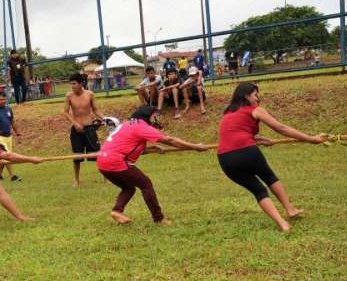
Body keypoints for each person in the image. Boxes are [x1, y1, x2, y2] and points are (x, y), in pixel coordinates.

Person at [217, 83, 327, 232]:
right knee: (269, 177)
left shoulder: (227, 114)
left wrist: (255, 138)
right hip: (247, 151)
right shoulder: (255, 110)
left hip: (225, 159)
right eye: (255, 94)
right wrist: (311, 138)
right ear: (246, 96)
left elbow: (233, 135)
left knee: (258, 190)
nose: (258, 98)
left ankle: (282, 223)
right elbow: (281, 128)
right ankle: (290, 209)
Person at [97, 105, 208, 225]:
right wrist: (195, 147)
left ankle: (117, 211)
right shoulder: (141, 126)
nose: (156, 119)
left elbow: (125, 145)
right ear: (147, 115)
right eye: (154, 116)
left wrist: (151, 149)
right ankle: (159, 219)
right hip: (116, 161)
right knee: (146, 184)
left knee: (128, 187)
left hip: (102, 161)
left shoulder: (127, 124)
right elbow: (169, 140)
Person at [63, 73, 105, 187]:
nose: (72, 86)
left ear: (81, 83)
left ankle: (105, 176)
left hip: (89, 128)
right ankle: (76, 179)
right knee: (77, 156)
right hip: (76, 130)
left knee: (97, 154)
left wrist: (105, 119)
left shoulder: (90, 94)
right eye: (71, 84)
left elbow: (95, 109)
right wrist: (75, 123)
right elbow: (65, 112)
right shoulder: (69, 96)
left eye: (74, 84)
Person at [0, 92, 22, 181]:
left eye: (4, 99)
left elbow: (13, 122)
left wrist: (18, 134)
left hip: (9, 136)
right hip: (0, 137)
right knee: (7, 155)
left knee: (3, 157)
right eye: (0, 99)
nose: (3, 101)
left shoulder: (8, 109)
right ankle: (12, 175)